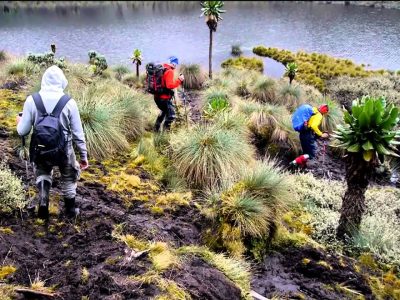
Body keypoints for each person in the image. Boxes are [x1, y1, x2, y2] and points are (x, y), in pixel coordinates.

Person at [17, 65, 88, 219]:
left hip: (40, 147)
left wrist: (19, 121)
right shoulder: (69, 102)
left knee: (42, 172)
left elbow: (22, 131)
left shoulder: (32, 100)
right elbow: (78, 133)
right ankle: (70, 211)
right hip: (64, 149)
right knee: (68, 177)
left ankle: (43, 201)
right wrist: (83, 155)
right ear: (62, 81)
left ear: (43, 80)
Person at [154, 56, 184, 132]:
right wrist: (179, 80)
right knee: (171, 116)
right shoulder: (170, 71)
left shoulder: (162, 68)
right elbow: (169, 85)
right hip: (164, 98)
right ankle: (165, 134)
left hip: (157, 97)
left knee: (164, 111)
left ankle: (156, 129)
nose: (176, 66)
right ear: (173, 64)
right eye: (175, 64)